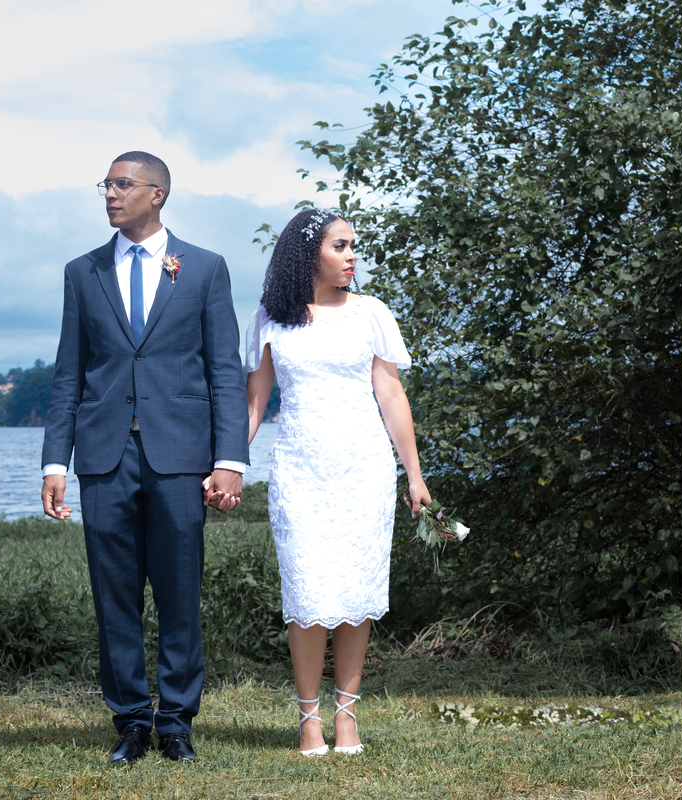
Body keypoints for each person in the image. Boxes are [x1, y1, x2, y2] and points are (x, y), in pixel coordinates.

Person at [40, 151, 249, 765]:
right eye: (105, 184)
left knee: (180, 593)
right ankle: (130, 721)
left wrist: (229, 458)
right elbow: (67, 374)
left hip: (182, 455)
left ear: (156, 194)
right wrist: (56, 462)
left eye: (121, 184)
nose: (109, 194)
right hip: (104, 457)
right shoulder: (84, 273)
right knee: (115, 598)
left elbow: (224, 373)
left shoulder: (206, 269)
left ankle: (177, 722)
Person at [244, 208, 430, 757]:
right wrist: (227, 462)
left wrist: (414, 475)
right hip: (299, 468)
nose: (352, 257)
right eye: (340, 246)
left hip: (363, 466)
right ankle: (308, 720)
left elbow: (391, 395)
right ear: (308, 255)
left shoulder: (371, 313)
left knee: (356, 592)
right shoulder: (269, 319)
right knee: (305, 591)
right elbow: (255, 401)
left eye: (354, 247)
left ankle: (346, 717)